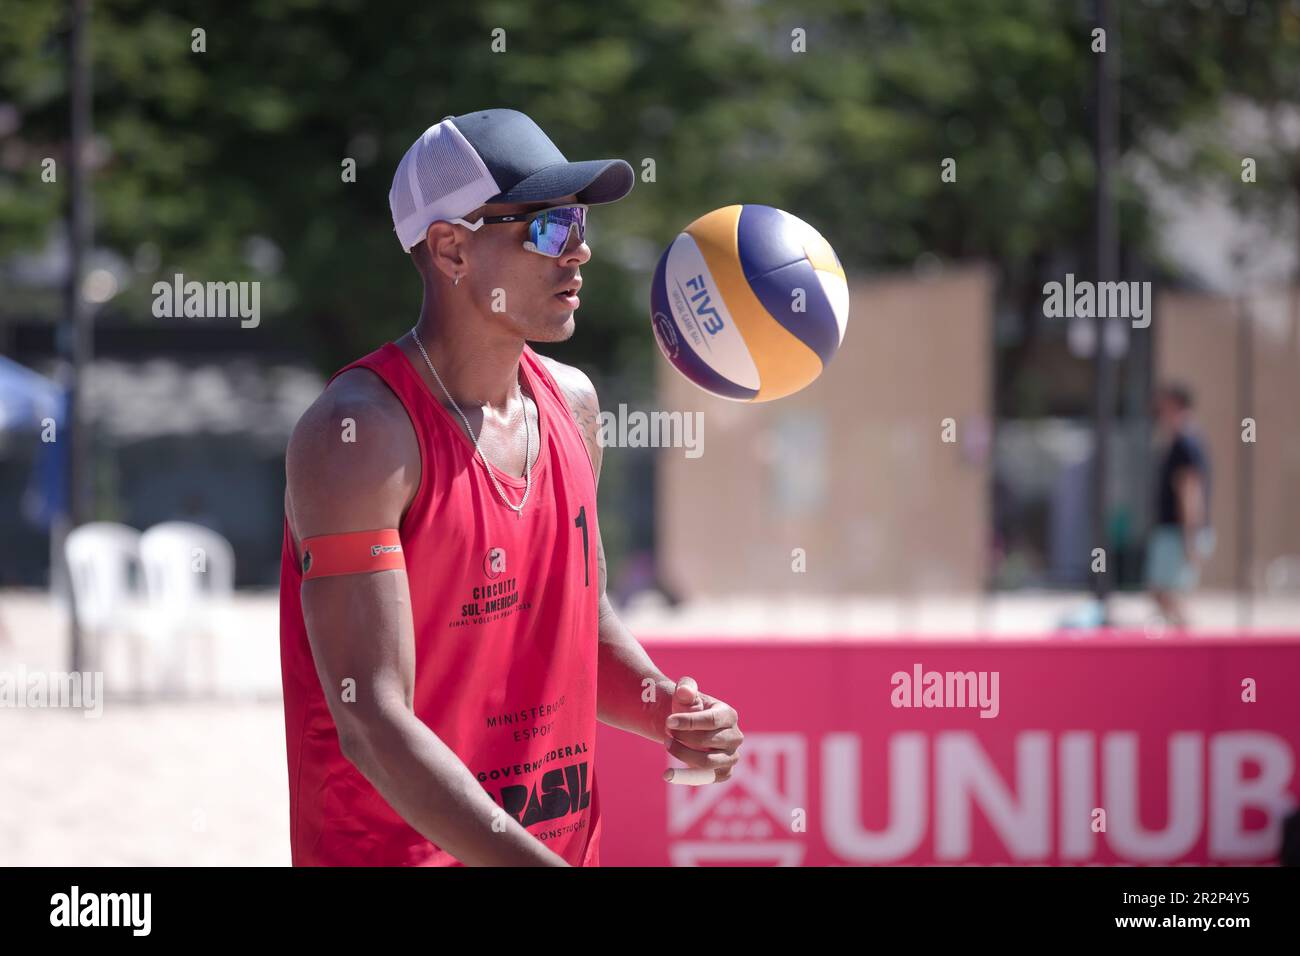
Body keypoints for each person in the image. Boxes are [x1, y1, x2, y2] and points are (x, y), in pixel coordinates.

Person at [278, 109, 744, 866]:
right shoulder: (359, 435)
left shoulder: (574, 405)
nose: (581, 250)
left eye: (580, 222)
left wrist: (668, 709)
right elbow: (372, 720)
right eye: (549, 227)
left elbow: (581, 628)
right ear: (451, 248)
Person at [1145, 382, 1214, 630]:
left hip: (1179, 532)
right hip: (1174, 531)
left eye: (1163, 405)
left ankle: (1192, 642)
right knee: (1161, 593)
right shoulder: (1178, 442)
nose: (1158, 411)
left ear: (1175, 405)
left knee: (1168, 594)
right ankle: (1183, 639)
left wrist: (1190, 536)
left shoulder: (1186, 443)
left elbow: (1190, 491)